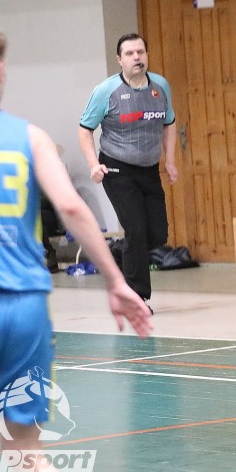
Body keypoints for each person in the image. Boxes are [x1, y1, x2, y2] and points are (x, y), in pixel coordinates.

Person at [0, 16, 153, 472]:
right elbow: (74, 209)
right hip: (27, 312)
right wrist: (116, 281)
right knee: (26, 453)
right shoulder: (29, 136)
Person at [78, 33, 178, 309]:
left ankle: (117, 256)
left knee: (157, 235)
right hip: (117, 168)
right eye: (130, 53)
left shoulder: (160, 86)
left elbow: (169, 123)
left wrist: (170, 160)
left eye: (141, 52)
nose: (137, 58)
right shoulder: (106, 91)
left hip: (149, 168)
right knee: (136, 229)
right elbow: (85, 129)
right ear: (119, 59)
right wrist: (93, 165)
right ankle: (137, 297)